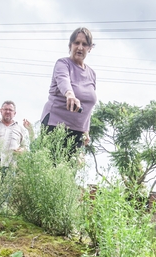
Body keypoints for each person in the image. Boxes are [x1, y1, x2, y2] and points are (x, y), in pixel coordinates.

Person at [40, 27, 97, 159]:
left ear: (90, 48)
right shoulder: (63, 63)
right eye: (76, 43)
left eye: (84, 44)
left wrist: (86, 130)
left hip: (77, 132)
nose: (80, 47)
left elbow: (89, 105)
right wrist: (70, 94)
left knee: (67, 175)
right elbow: (63, 80)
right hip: (55, 126)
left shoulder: (92, 74)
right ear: (70, 45)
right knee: (48, 170)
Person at [0, 101, 32, 168]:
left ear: (14, 113)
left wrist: (22, 150)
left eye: (10, 110)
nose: (8, 111)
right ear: (1, 111)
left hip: (11, 166)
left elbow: (25, 147)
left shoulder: (20, 129)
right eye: (5, 109)